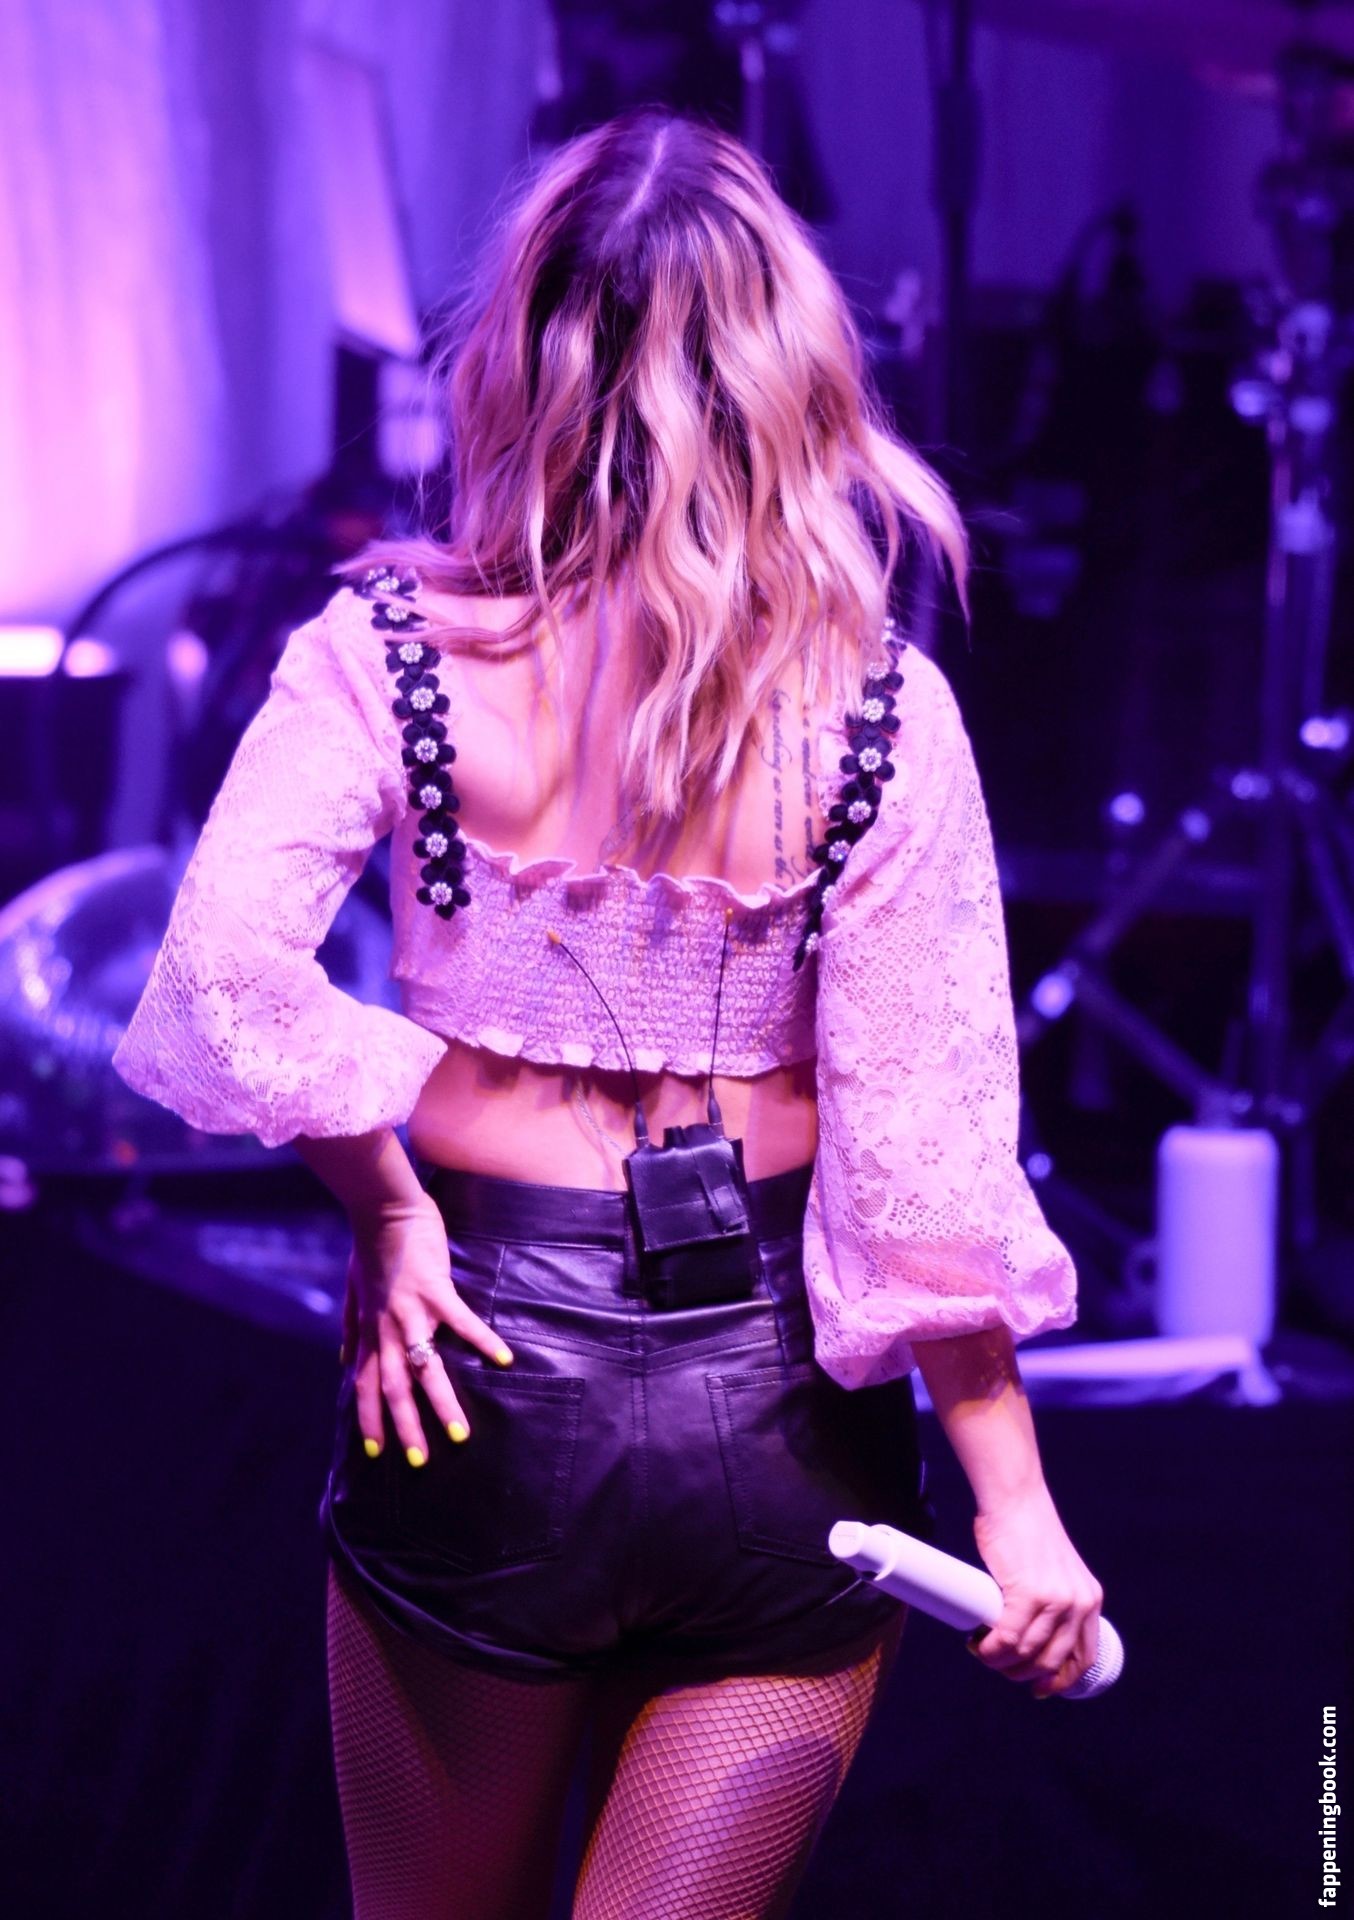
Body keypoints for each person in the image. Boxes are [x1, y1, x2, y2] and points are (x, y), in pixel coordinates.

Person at [114, 108, 1103, 1920]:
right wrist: (1015, 1508)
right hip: (784, 1419)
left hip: (476, 1370)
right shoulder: (883, 712)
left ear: (518, 358)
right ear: (792, 370)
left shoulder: (387, 657)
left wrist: (386, 1205)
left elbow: (217, 981)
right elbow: (928, 1153)